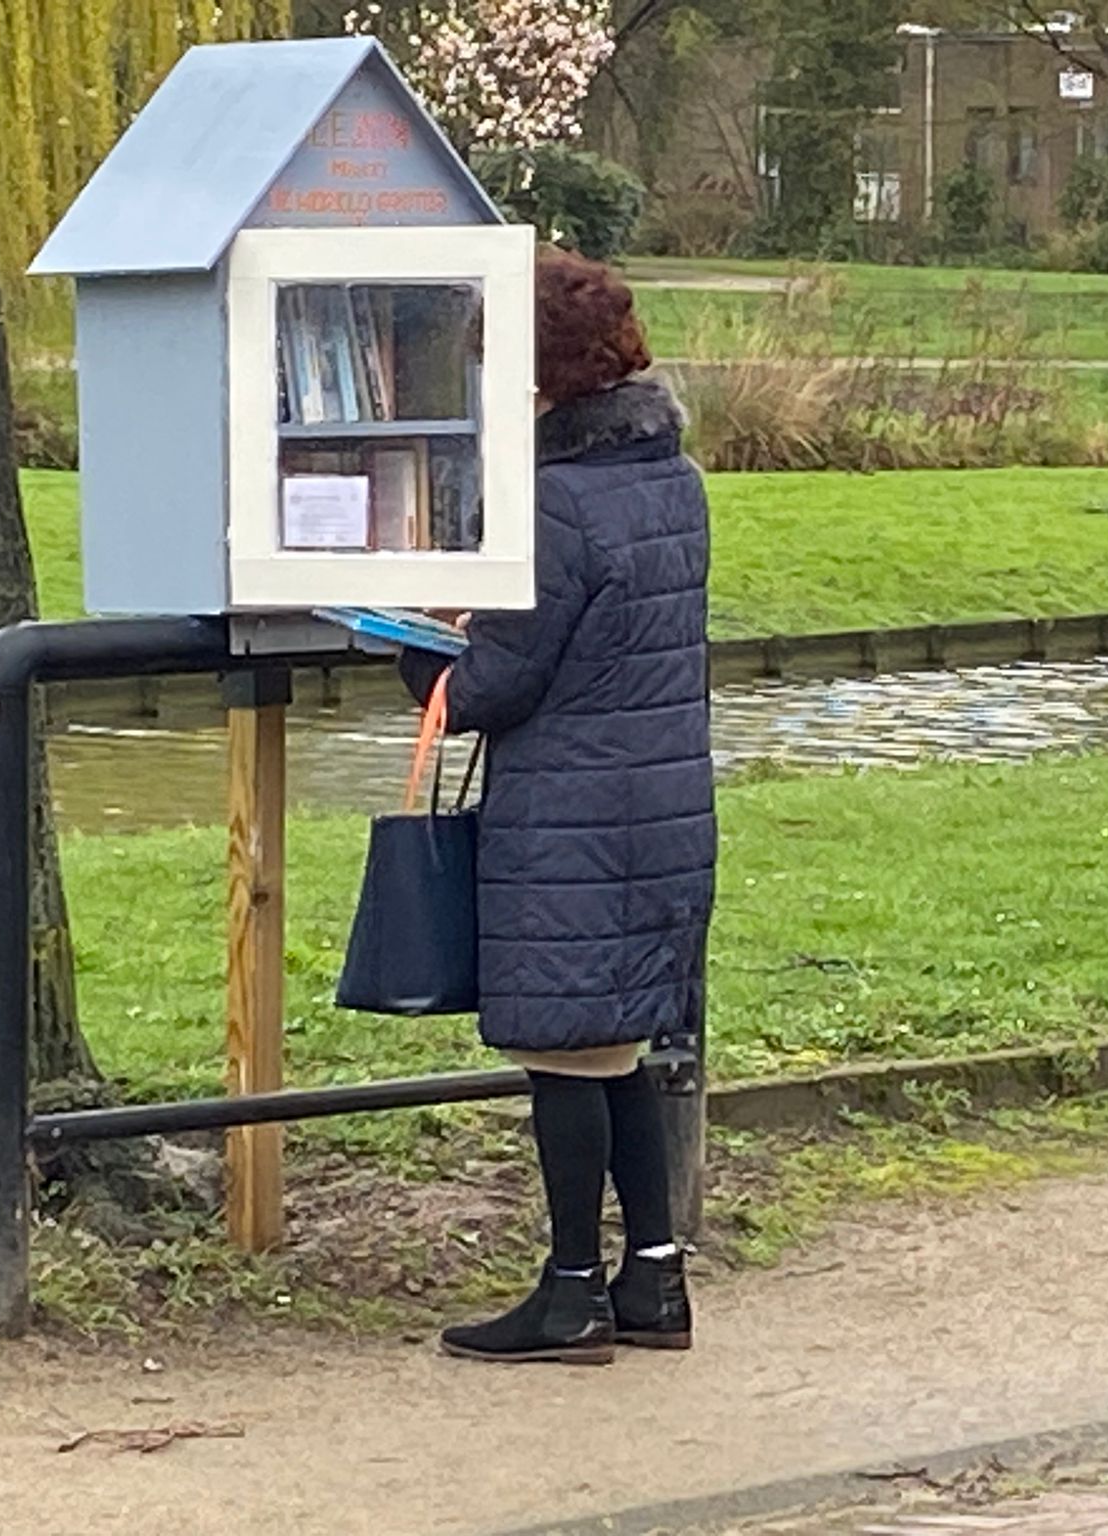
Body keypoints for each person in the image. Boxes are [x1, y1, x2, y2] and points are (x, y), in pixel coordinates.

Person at [399, 247, 714, 1365]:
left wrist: (423, 637)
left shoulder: (551, 504)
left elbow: (491, 685)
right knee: (616, 1043)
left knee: (564, 1050)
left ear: (537, 378)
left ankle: (569, 1287)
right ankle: (653, 1281)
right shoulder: (667, 478)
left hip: (569, 811)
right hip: (662, 800)